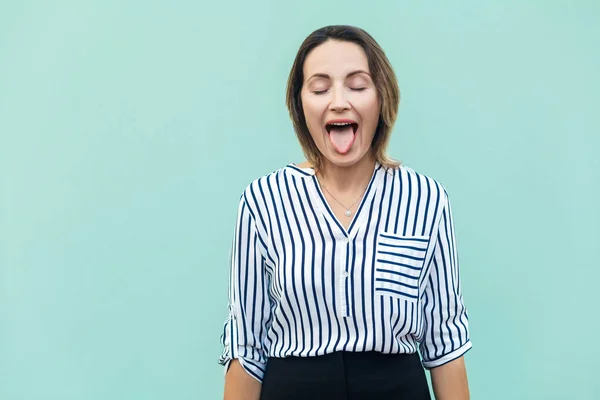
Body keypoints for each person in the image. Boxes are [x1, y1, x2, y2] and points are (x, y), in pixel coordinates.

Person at [218, 25, 472, 400]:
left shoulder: (426, 199)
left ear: (382, 98)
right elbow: (247, 345)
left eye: (357, 86)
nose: (339, 101)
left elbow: (444, 343)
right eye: (320, 89)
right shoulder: (263, 201)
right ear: (300, 104)